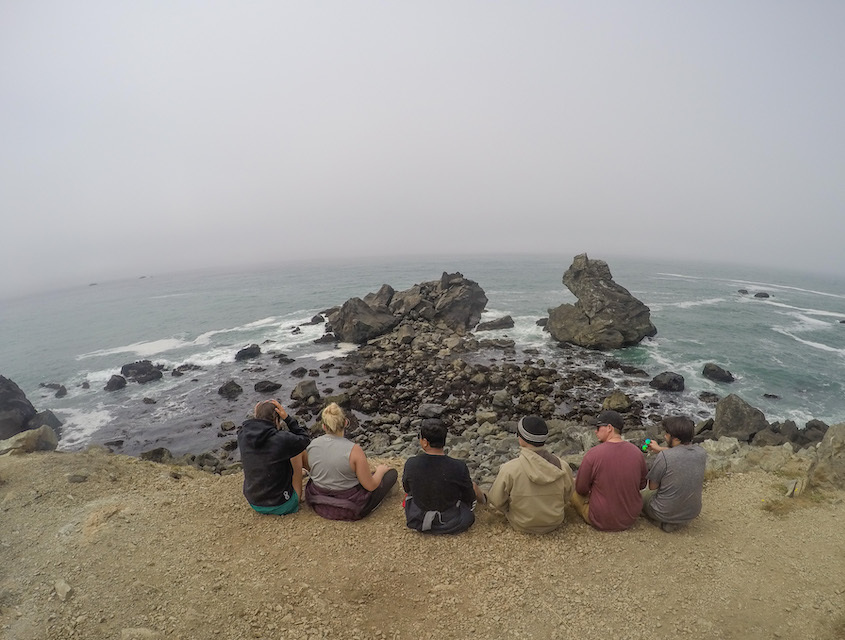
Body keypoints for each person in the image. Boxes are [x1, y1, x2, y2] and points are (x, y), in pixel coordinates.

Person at [302, 402, 398, 521]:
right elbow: (371, 486)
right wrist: (380, 471)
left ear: (324, 427)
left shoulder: (313, 445)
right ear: (346, 423)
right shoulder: (354, 450)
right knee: (391, 474)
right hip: (348, 506)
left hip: (319, 501)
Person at [487, 415, 574, 534]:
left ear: (521, 439)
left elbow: (496, 501)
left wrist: (510, 510)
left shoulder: (510, 469)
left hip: (521, 523)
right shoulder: (562, 466)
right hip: (554, 522)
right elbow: (567, 496)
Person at [401, 419, 486, 534]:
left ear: (425, 442)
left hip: (419, 519)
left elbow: (407, 488)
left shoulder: (411, 463)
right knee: (473, 486)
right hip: (452, 521)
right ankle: (486, 502)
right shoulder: (458, 466)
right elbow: (469, 497)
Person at [571, 410, 648, 531]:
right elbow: (642, 485)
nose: (595, 432)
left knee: (573, 492)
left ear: (609, 428)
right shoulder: (637, 453)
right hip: (630, 518)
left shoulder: (593, 454)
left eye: (598, 427)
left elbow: (581, 489)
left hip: (601, 519)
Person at [238, 399, 310, 515]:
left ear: (257, 416)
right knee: (297, 451)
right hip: (282, 504)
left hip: (255, 503)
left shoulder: (243, 435)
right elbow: (304, 439)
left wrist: (257, 417)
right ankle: (318, 478)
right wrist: (287, 418)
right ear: (277, 419)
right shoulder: (281, 439)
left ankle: (302, 475)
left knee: (279, 453)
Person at [642, 415, 707, 532]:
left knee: (641, 495)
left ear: (676, 439)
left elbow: (652, 487)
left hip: (663, 512)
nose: (665, 436)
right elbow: (682, 453)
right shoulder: (701, 452)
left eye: (667, 434)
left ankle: (663, 521)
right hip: (692, 512)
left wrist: (661, 454)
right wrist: (659, 448)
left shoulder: (664, 457)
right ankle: (678, 519)